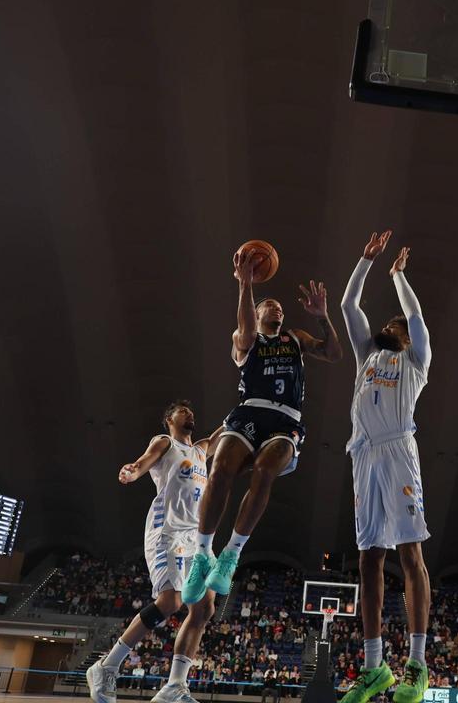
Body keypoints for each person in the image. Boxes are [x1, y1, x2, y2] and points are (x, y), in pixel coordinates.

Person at [183, 251, 342, 604]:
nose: (278, 309)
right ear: (257, 313)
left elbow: (333, 353)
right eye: (270, 305)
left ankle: (231, 555)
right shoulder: (247, 339)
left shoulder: (295, 338)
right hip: (249, 413)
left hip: (286, 420)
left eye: (280, 307)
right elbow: (244, 329)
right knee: (220, 468)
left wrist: (322, 318)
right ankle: (202, 554)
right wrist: (245, 285)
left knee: (266, 472)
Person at [338, 231, 434, 703]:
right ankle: (375, 668)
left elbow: (415, 315)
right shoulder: (366, 357)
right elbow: (348, 306)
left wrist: (397, 276)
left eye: (391, 327)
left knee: (410, 555)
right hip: (363, 455)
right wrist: (365, 260)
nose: (385, 329)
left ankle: (417, 665)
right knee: (368, 557)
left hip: (398, 451)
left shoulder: (414, 359)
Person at [87, 401, 219, 703]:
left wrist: (249, 408)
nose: (191, 414)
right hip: (167, 531)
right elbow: (145, 460)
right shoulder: (165, 442)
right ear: (169, 419)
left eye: (192, 412)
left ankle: (174, 685)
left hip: (195, 536)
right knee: (170, 601)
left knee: (205, 607)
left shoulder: (201, 449)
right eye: (183, 411)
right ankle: (106, 666)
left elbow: (224, 434)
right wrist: (133, 472)